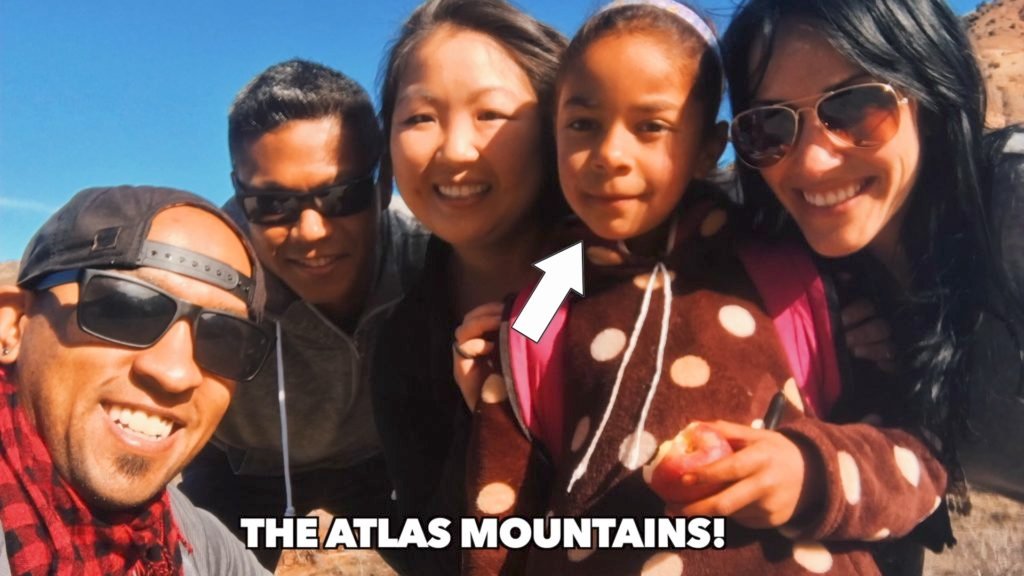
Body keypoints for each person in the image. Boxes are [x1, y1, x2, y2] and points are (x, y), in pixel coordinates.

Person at [454, 1, 953, 573]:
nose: (611, 155)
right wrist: (490, 376)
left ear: (708, 149)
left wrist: (809, 473)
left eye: (651, 127)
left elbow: (914, 461)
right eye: (583, 124)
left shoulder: (790, 271)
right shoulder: (549, 285)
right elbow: (502, 455)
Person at [722, 0, 1024, 572]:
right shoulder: (795, 260)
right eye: (769, 125)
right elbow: (598, 245)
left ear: (929, 96)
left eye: (856, 106)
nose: (810, 162)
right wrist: (521, 321)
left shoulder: (1013, 209)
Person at [179, 59, 429, 570]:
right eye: (273, 204)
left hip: (389, 465)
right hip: (243, 468)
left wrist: (516, 342)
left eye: (341, 195)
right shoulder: (203, 275)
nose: (311, 230)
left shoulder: (432, 252)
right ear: (238, 188)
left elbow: (558, 273)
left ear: (382, 185)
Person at [370, 0, 566, 573]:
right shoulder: (402, 344)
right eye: (419, 118)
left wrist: (515, 367)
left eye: (491, 114)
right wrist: (478, 419)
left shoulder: (625, 270)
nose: (455, 150)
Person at [0, 185, 271, 575]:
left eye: (224, 338)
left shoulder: (190, 538)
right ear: (12, 327)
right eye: (124, 308)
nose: (176, 374)